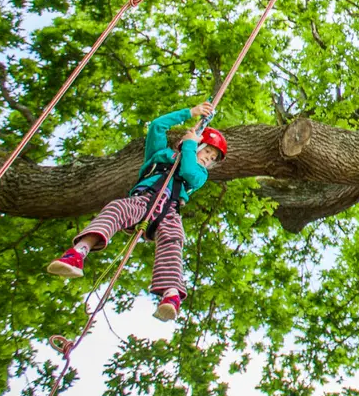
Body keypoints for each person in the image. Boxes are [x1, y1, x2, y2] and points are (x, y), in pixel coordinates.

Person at [46, 102, 227, 322]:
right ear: (197, 143)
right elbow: (157, 127)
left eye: (211, 159)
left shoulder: (200, 174)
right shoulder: (160, 154)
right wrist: (191, 113)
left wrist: (190, 147)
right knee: (116, 209)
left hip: (169, 210)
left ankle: (171, 294)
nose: (207, 158)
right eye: (206, 151)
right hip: (143, 200)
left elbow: (188, 170)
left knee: (173, 239)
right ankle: (78, 252)